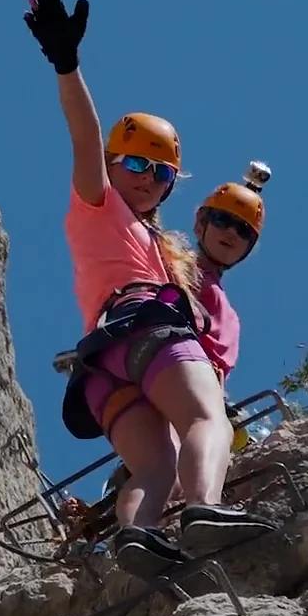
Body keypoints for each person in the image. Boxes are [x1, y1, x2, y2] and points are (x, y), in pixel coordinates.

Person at [24, 0, 271, 580]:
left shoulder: (160, 248)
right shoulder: (98, 202)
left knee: (152, 469)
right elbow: (84, 133)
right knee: (206, 421)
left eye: (161, 172)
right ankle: (206, 511)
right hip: (150, 334)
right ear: (113, 165)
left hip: (102, 370)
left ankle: (137, 538)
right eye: (134, 162)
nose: (146, 176)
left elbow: (205, 280)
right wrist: (66, 63)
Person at [100, 162, 277, 537]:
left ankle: (139, 538)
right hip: (169, 368)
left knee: (163, 469)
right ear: (201, 224)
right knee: (201, 441)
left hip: (157, 374)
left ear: (248, 248)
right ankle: (203, 513)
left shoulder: (224, 306)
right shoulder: (172, 262)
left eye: (243, 230)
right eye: (224, 221)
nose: (232, 232)